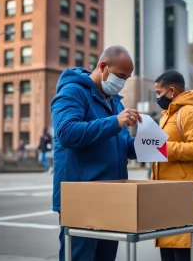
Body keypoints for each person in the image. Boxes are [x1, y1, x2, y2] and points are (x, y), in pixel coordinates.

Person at [51, 45, 141, 261]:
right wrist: (114, 122)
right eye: (121, 76)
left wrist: (147, 145)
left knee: (105, 257)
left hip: (111, 195)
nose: (122, 83)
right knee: (80, 256)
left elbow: (121, 144)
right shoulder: (72, 91)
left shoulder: (115, 102)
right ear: (103, 67)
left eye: (127, 78)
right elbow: (66, 132)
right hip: (81, 195)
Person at [153, 71, 193, 261]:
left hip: (187, 187)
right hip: (168, 186)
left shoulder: (189, 111)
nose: (156, 97)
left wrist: (164, 149)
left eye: (158, 92)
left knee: (185, 246)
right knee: (169, 243)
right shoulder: (166, 116)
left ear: (171, 91)